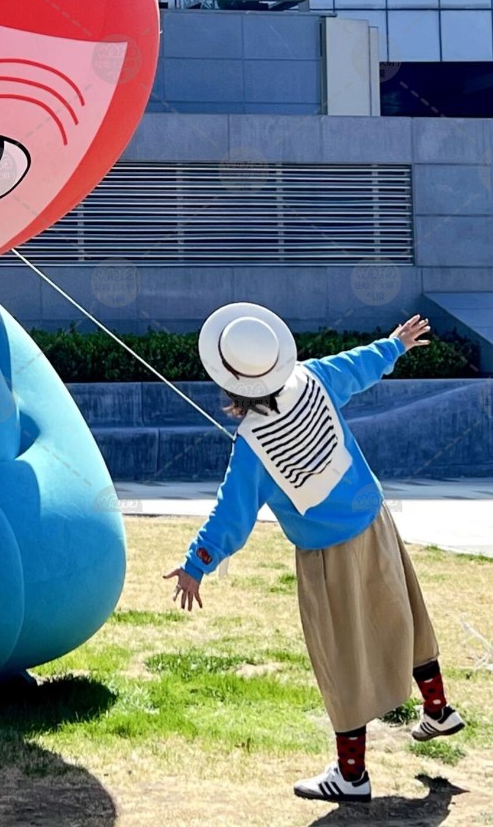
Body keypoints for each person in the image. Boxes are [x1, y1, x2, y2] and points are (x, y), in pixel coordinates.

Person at [164, 304, 465, 804]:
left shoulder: (250, 445)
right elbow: (358, 365)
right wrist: (395, 344)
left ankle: (352, 775)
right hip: (374, 517)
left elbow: (231, 514)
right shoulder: (313, 378)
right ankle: (437, 709)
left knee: (339, 653)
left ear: (230, 380)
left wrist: (197, 563)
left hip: (326, 553)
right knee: (404, 612)